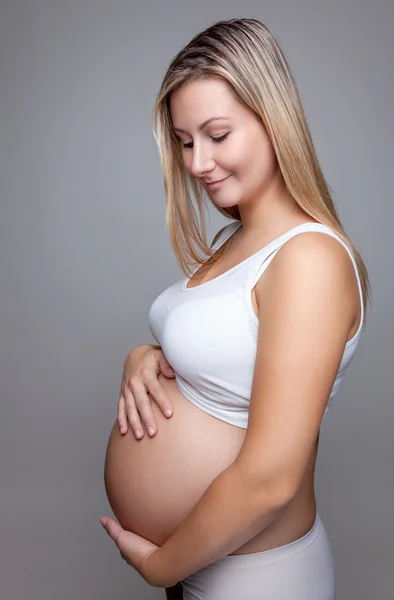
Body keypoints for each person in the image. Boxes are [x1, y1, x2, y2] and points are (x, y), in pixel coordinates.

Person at [101, 17, 370, 600]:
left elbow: (271, 479)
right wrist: (144, 357)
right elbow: (223, 356)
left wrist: (161, 566)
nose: (197, 163)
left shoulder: (309, 261)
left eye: (217, 135)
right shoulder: (238, 240)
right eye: (184, 140)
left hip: (259, 579)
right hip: (203, 562)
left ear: (274, 121)